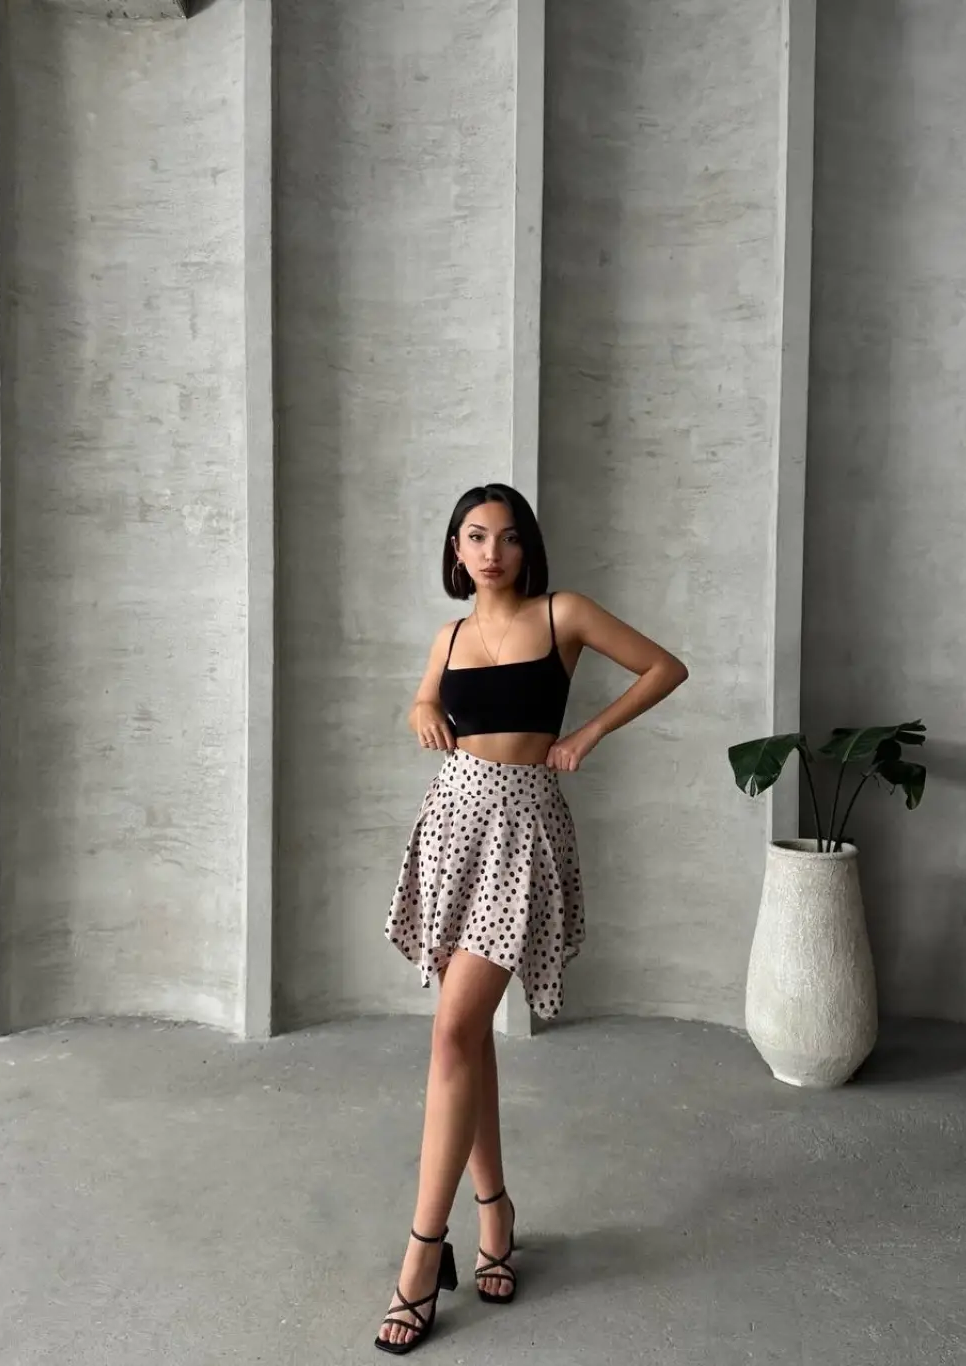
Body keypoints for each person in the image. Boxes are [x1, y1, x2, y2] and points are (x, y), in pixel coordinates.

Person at [375, 483, 689, 1354]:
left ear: (527, 549)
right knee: (466, 1034)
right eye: (475, 537)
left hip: (522, 833)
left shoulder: (563, 614)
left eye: (508, 538)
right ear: (455, 550)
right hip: (452, 825)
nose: (492, 552)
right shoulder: (449, 637)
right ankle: (495, 1212)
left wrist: (587, 734)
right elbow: (421, 701)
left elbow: (665, 668)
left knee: (452, 1032)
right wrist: (423, 708)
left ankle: (421, 1253)